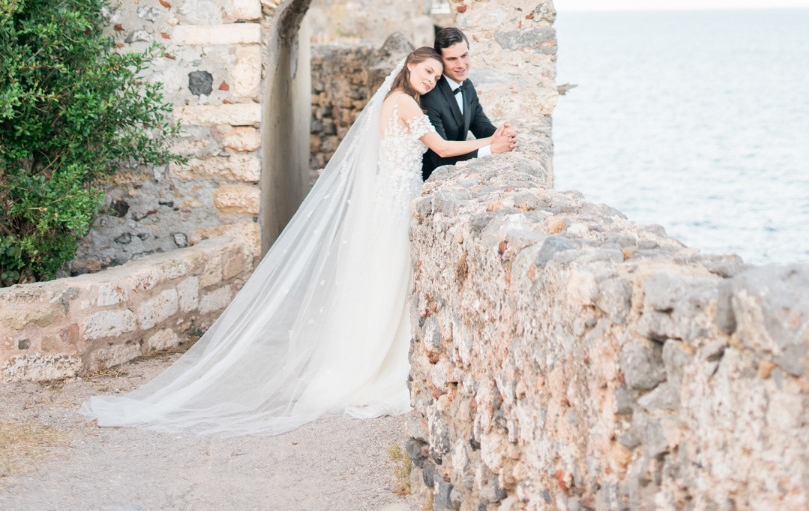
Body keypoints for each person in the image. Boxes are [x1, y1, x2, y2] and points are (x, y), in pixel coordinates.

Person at [81, 47, 497, 437]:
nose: (432, 80)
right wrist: (489, 144)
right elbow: (440, 148)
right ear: (409, 67)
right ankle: (378, 370)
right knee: (390, 283)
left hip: (387, 201)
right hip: (397, 201)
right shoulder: (405, 103)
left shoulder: (387, 104)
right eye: (428, 71)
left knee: (382, 284)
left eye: (437, 76)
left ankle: (368, 364)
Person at [420, 26, 517, 181]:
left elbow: (481, 126)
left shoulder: (467, 85)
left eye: (464, 55)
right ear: (440, 61)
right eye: (452, 59)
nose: (461, 64)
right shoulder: (430, 97)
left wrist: (503, 135)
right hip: (428, 179)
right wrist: (491, 149)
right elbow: (440, 158)